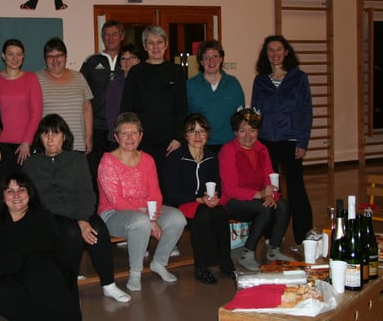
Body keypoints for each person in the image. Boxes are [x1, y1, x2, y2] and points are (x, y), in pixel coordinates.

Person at [22, 114, 130, 303]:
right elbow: (32, 199)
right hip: (50, 214)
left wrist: (82, 218)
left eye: (55, 134)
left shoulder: (77, 159)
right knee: (71, 232)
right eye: (45, 134)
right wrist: (76, 222)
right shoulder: (31, 163)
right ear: (40, 137)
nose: (50, 139)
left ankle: (109, 284)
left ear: (64, 136)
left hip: (80, 211)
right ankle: (69, 288)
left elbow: (87, 192)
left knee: (99, 230)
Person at [97, 112, 186, 291]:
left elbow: (155, 193)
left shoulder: (148, 160)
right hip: (113, 213)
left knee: (177, 218)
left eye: (134, 133)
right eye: (124, 133)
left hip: (145, 211)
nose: (130, 138)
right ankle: (135, 272)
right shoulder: (108, 161)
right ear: (116, 137)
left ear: (141, 135)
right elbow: (117, 201)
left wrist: (152, 216)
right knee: (140, 222)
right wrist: (149, 219)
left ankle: (159, 262)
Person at [0, 171, 81, 321]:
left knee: (36, 265)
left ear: (29, 193)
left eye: (21, 190)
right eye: (10, 191)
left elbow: (30, 248)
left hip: (43, 273)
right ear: (3, 196)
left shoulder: (41, 216)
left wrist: (0, 268)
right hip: (11, 274)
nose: (16, 195)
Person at [251, 35, 313, 245]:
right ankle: (271, 234)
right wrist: (254, 142)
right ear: (266, 54)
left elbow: (306, 111)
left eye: (278, 49)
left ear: (286, 52)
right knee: (269, 188)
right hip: (266, 141)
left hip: (291, 140)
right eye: (270, 50)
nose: (275, 54)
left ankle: (304, 233)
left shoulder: (299, 78)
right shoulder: (261, 80)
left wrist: (302, 141)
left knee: (296, 189)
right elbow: (255, 113)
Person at [162, 113, 235, 284]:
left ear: (207, 134)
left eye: (201, 131)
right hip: (180, 204)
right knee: (202, 213)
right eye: (192, 131)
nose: (197, 136)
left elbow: (217, 185)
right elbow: (169, 193)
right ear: (185, 135)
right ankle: (201, 266)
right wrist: (198, 199)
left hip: (203, 202)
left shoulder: (211, 157)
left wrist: (214, 197)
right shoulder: (176, 157)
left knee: (220, 212)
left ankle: (226, 262)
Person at [218, 107, 294, 271]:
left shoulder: (261, 148)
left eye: (252, 130)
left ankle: (274, 249)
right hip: (232, 200)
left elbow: (269, 178)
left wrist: (271, 194)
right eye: (242, 131)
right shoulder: (228, 150)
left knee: (283, 205)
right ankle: (248, 253)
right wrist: (259, 194)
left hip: (258, 197)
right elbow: (229, 189)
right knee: (265, 208)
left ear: (258, 131)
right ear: (235, 132)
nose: (247, 135)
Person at [120, 24, 187, 187]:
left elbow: (182, 107)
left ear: (166, 45)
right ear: (145, 46)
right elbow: (126, 109)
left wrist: (179, 138)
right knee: (143, 186)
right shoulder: (136, 72)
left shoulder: (177, 72)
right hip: (141, 142)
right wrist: (131, 139)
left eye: (159, 42)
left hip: (170, 144)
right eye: (150, 43)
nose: (155, 47)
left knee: (168, 187)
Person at [80, 20, 125, 186]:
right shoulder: (91, 62)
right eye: (107, 34)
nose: (110, 38)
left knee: (119, 172)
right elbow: (82, 95)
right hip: (96, 127)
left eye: (114, 34)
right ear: (102, 37)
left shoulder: (129, 60)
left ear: (122, 36)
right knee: (95, 172)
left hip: (122, 128)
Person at [0, 39, 42, 165]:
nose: (15, 58)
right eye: (10, 54)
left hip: (24, 145)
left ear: (23, 56)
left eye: (19, 54)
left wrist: (27, 142)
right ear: (3, 55)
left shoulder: (31, 78)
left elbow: (36, 113)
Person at [186, 40, 245, 154]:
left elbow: (240, 116)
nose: (211, 61)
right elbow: (186, 116)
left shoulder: (233, 84)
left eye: (215, 56)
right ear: (201, 61)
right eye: (206, 57)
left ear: (221, 59)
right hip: (200, 145)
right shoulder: (190, 85)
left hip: (228, 144)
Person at [36, 37, 93, 153]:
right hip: (49, 144)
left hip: (77, 143)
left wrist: (89, 135)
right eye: (50, 57)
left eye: (59, 55)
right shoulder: (36, 79)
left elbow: (87, 107)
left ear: (65, 56)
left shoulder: (79, 78)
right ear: (45, 59)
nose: (55, 60)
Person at [106, 44, 141, 146]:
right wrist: (119, 135)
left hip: (142, 137)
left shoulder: (146, 83)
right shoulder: (114, 85)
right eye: (124, 59)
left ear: (139, 61)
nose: (127, 62)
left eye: (132, 58)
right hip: (120, 137)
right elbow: (111, 114)